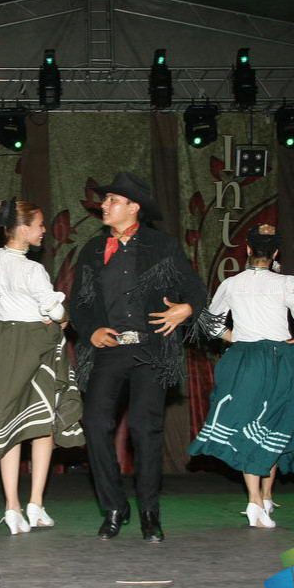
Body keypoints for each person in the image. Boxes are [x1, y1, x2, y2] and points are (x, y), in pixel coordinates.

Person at [69, 172, 208, 541]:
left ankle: (149, 510)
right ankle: (114, 506)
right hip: (110, 349)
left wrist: (186, 309)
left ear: (133, 207)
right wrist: (91, 329)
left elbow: (196, 288)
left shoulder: (162, 246)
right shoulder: (92, 249)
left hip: (151, 348)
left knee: (146, 430)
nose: (104, 205)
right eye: (105, 199)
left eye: (112, 200)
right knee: (95, 423)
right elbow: (78, 303)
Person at [188, 224, 294, 528]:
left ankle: (256, 499)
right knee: (275, 425)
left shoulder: (231, 283)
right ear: (275, 252)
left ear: (247, 250)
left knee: (249, 426)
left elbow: (210, 323)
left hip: (243, 360)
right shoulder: (287, 281)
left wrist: (234, 337)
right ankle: (263, 497)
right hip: (278, 359)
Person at [0, 198, 84, 534]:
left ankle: (14, 506)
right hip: (34, 345)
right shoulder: (33, 270)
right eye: (38, 225)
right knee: (41, 423)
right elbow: (54, 309)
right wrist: (62, 317)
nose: (44, 230)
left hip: (1, 342)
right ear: (22, 229)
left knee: (10, 421)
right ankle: (34, 503)